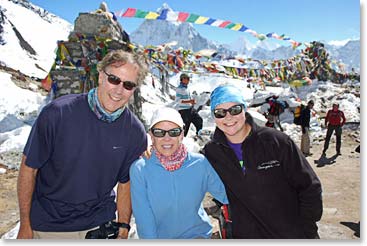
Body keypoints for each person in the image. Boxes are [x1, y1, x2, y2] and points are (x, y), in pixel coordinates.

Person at [16, 50, 149, 239]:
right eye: (114, 79)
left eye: (128, 85)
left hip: (99, 225)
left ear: (134, 89)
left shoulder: (135, 132)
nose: (119, 90)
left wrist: (124, 225)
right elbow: (29, 169)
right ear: (101, 76)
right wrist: (25, 224)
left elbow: (125, 183)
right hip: (48, 226)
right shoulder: (57, 114)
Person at [202, 85, 323, 239]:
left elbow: (309, 187)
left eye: (235, 109)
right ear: (214, 116)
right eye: (220, 112)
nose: (228, 117)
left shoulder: (276, 142)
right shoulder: (212, 153)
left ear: (244, 109)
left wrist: (307, 229)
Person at [129, 107, 228, 239]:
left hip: (198, 236)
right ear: (151, 135)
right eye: (159, 132)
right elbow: (143, 218)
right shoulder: (140, 169)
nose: (167, 138)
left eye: (174, 132)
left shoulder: (200, 164)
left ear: (182, 134)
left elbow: (227, 195)